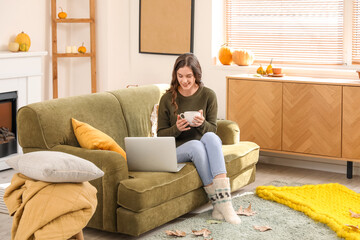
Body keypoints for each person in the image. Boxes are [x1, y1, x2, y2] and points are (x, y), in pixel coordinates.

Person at [157, 53, 241, 224]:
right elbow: (160, 134)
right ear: (176, 75)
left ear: (196, 75)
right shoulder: (167, 98)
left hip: (200, 145)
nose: (184, 81)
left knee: (210, 137)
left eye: (189, 76)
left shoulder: (208, 95)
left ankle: (221, 205)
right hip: (176, 150)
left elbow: (213, 130)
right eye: (180, 76)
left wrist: (202, 124)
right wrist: (176, 129)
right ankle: (223, 204)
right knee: (195, 145)